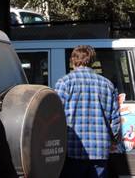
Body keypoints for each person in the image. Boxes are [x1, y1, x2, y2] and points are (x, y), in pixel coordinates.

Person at [54, 45, 121, 178]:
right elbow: (116, 120)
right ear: (93, 61)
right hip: (100, 150)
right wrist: (114, 139)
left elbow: (55, 117)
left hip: (72, 151)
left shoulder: (64, 83)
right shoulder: (107, 84)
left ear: (73, 61)